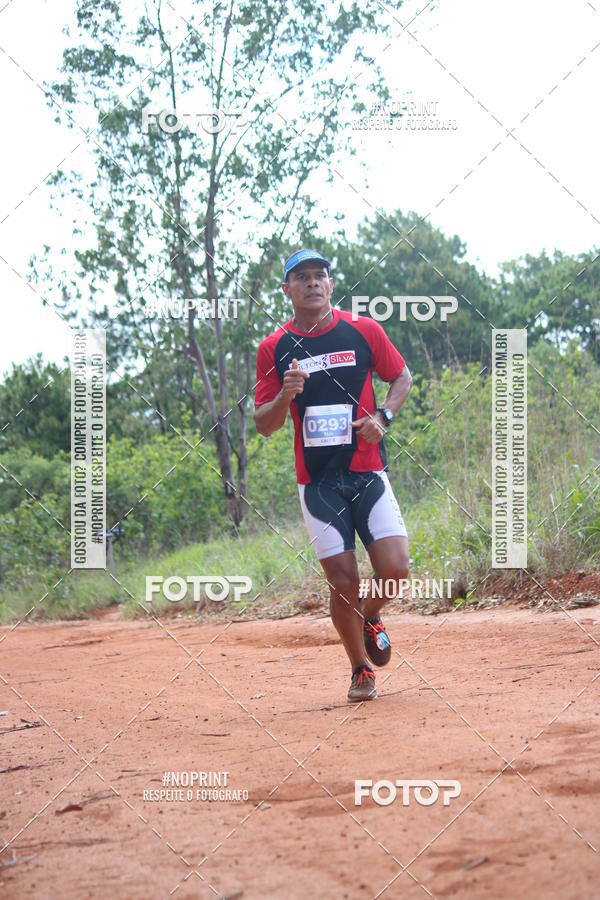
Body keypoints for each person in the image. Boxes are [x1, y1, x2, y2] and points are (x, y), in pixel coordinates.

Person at [253, 249, 413, 702]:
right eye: (301, 277)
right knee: (342, 581)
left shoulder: (363, 330)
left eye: (319, 275)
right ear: (287, 290)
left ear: (330, 284)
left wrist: (383, 416)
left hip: (367, 469)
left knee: (396, 569)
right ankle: (360, 669)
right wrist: (285, 396)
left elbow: (401, 377)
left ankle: (368, 615)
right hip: (318, 482)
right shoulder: (274, 347)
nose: (312, 283)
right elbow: (264, 424)